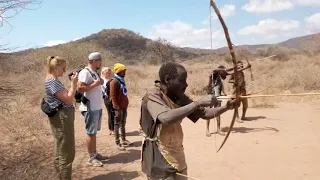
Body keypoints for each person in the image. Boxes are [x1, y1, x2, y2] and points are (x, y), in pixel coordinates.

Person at [140, 62, 238, 180]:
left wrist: (226, 107)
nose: (186, 84)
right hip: (158, 155)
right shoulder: (153, 94)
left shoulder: (179, 96)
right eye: (182, 80)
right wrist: (198, 103)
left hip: (176, 152)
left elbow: (205, 113)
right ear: (167, 80)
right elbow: (165, 117)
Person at [45, 56, 78, 180]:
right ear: (56, 67)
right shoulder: (52, 81)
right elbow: (68, 99)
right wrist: (73, 84)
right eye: (63, 68)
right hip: (62, 118)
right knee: (66, 152)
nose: (64, 71)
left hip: (62, 117)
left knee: (60, 149)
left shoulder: (53, 80)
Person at [77, 52, 108, 167]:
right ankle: (91, 157)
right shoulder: (85, 72)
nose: (101, 62)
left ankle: (94, 153)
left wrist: (99, 82)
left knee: (93, 132)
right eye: (100, 60)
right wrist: (95, 85)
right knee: (90, 133)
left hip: (96, 107)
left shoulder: (93, 72)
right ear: (94, 61)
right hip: (90, 108)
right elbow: (80, 88)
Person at [109, 63, 131, 150]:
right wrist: (116, 107)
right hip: (118, 107)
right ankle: (118, 143)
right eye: (123, 71)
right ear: (119, 71)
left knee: (123, 123)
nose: (125, 73)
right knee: (117, 124)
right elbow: (113, 96)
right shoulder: (114, 82)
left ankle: (124, 139)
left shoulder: (121, 80)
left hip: (124, 106)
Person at [206, 65, 228, 136]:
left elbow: (221, 88)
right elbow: (215, 69)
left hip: (218, 97)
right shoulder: (212, 75)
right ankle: (207, 130)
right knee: (208, 113)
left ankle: (218, 129)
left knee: (218, 113)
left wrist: (224, 94)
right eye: (222, 71)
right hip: (210, 96)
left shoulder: (220, 79)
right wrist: (222, 69)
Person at [101, 67, 114, 136]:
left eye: (109, 72)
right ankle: (111, 129)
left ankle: (114, 128)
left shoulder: (113, 80)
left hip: (114, 98)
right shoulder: (102, 81)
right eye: (107, 72)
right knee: (110, 113)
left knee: (115, 113)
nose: (108, 74)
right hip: (107, 98)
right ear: (103, 73)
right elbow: (101, 91)